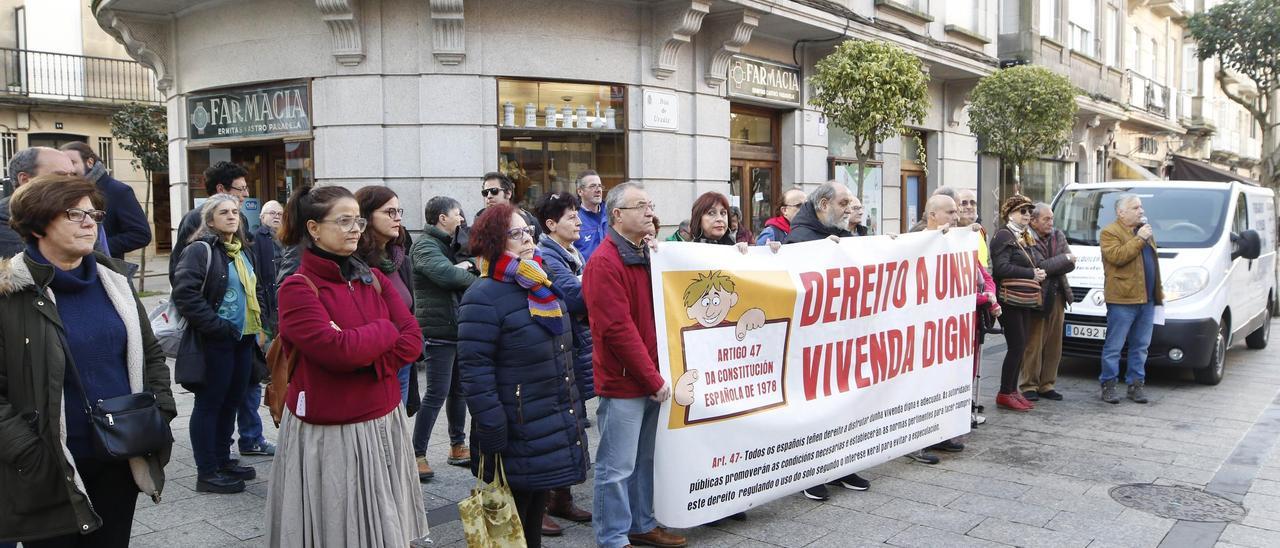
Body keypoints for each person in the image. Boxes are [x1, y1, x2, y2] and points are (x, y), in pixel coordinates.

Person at [0, 175, 176, 547]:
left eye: (93, 212)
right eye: (73, 213)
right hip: (49, 465)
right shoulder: (10, 294)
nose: (89, 222)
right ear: (37, 224)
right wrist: (27, 450)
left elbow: (151, 354)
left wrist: (160, 411)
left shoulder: (115, 281)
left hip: (120, 453)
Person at [265, 186, 428, 546]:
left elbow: (413, 340)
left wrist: (364, 348)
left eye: (357, 219)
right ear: (313, 228)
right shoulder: (297, 288)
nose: (355, 228)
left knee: (385, 527)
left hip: (385, 420)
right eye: (343, 220)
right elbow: (336, 352)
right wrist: (385, 330)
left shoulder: (373, 277)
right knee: (337, 530)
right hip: (334, 432)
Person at [458, 203, 589, 548]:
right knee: (510, 519)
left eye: (528, 231)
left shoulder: (538, 282)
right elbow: (474, 369)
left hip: (548, 415)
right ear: (493, 241)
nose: (527, 238)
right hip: (513, 422)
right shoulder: (483, 296)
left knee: (533, 510)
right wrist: (491, 425)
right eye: (515, 233)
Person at [584, 182, 687, 548]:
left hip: (650, 378)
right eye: (640, 206)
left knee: (643, 461)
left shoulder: (647, 253)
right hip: (626, 382)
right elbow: (617, 330)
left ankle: (642, 524)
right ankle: (612, 537)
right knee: (616, 468)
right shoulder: (604, 262)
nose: (650, 212)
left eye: (651, 205)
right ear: (617, 215)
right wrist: (652, 378)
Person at [171, 194, 267, 494]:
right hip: (216, 341)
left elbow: (257, 289)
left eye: (235, 212)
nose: (231, 216)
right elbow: (185, 294)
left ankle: (224, 460)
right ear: (209, 220)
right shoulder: (199, 250)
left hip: (243, 339)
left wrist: (260, 325)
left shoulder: (242, 251)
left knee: (231, 401)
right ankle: (207, 471)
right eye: (224, 212)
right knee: (210, 404)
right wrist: (218, 327)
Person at [782, 181, 870, 500]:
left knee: (841, 405)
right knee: (814, 409)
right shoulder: (802, 237)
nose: (849, 207)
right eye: (843, 202)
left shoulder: (841, 233)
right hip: (811, 342)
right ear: (823, 205)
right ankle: (810, 471)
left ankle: (841, 465)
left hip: (840, 338)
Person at [534, 192, 596, 531]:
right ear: (551, 224)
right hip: (558, 348)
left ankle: (562, 497)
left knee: (572, 423)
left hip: (575, 344)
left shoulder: (571, 253)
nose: (578, 222)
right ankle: (540, 502)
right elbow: (575, 296)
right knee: (555, 425)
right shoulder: (548, 256)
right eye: (571, 217)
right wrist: (593, 284)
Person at [409, 196, 475, 481]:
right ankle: (417, 454)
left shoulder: (453, 243)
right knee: (436, 393)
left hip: (457, 327)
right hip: (438, 331)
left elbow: (473, 261)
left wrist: (469, 265)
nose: (461, 219)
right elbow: (448, 277)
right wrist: (475, 273)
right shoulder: (424, 245)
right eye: (457, 214)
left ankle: (457, 446)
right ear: (441, 218)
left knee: (459, 391)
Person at [355, 186, 417, 406]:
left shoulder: (400, 259)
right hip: (374, 362)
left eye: (399, 211)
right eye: (390, 212)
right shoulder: (355, 262)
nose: (397, 218)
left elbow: (410, 310)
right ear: (366, 216)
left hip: (402, 358)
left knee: (397, 428)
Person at [1099, 194, 1160, 404]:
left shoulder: (1144, 231)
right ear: (1121, 212)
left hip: (1147, 299)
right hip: (1122, 299)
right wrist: (1140, 238)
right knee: (1114, 347)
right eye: (1135, 207)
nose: (1141, 211)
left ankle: (1136, 385)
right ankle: (1108, 385)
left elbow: (1151, 262)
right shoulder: (1110, 232)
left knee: (1141, 346)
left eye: (1141, 207)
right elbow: (1118, 256)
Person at [989, 194, 1045, 412]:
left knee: (1021, 346)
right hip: (1008, 299)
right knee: (1016, 346)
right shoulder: (1003, 235)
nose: (1027, 215)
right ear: (1010, 213)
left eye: (1030, 211)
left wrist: (1038, 269)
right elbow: (1001, 268)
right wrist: (1031, 273)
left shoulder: (1025, 235)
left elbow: (1033, 259)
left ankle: (1012, 390)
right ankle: (1004, 392)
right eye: (1023, 211)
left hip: (1023, 298)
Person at [236, 199, 284, 458]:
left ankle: (253, 435)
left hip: (272, 313)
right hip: (259, 318)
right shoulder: (257, 240)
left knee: (263, 377)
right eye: (272, 213)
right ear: (262, 217)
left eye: (280, 213)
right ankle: (250, 436)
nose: (276, 217)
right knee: (257, 377)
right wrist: (264, 320)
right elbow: (260, 283)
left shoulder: (284, 239)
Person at [1019, 203, 1075, 403]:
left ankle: (1047, 384)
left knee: (1054, 344)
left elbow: (1071, 263)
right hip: (1037, 297)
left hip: (1058, 295)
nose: (1051, 222)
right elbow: (1039, 265)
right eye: (1046, 219)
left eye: (1051, 218)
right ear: (1033, 221)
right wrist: (1063, 259)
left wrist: (1059, 262)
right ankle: (1029, 385)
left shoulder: (1058, 235)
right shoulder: (1026, 237)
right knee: (1034, 344)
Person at [61, 142, 151, 260]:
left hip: (104, 270)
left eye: (72, 162)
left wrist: (97, 247)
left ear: (90, 162)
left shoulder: (118, 191)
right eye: (65, 164)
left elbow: (141, 235)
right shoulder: (64, 192)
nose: (69, 169)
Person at [169, 161, 251, 283]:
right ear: (221, 189)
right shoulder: (194, 219)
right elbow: (179, 273)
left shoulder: (241, 218)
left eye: (246, 188)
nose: (246, 194)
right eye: (241, 189)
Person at [0, 147, 78, 258]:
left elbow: (101, 261)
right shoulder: (3, 220)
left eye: (73, 175)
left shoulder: (82, 212)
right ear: (25, 180)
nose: (71, 183)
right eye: (60, 176)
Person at [785, 180, 855, 244]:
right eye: (843, 204)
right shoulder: (797, 239)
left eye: (850, 204)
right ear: (824, 205)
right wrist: (821, 248)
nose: (849, 211)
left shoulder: (840, 231)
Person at [478, 171, 540, 238]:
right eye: (485, 193)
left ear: (508, 194)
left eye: (494, 191)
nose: (489, 196)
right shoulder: (479, 221)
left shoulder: (530, 221)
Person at [574, 170, 608, 262]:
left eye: (600, 186)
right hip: (586, 274)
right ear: (580, 191)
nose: (598, 190)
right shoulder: (574, 218)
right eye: (593, 186)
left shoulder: (612, 214)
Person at [956, 188, 990, 267]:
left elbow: (989, 263)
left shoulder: (982, 232)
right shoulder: (950, 232)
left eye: (972, 203)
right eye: (964, 203)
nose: (969, 206)